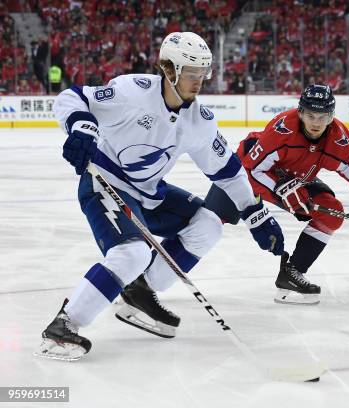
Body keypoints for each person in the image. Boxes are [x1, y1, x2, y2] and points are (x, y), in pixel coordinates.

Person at [35, 32, 284, 361]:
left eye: (202, 74)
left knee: (208, 225)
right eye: (191, 73)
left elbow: (229, 172)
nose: (199, 81)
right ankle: (64, 325)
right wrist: (81, 126)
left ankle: (140, 290)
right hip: (105, 183)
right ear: (169, 69)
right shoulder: (131, 91)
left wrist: (255, 213)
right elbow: (72, 98)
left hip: (150, 195)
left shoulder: (199, 121)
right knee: (132, 253)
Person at [237, 84, 349, 305]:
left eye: (323, 116)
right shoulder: (283, 129)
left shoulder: (338, 138)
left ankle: (292, 273)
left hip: (297, 176)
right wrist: (280, 188)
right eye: (311, 115)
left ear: (331, 116)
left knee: (332, 213)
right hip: (247, 173)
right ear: (300, 112)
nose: (316, 123)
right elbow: (252, 169)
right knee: (209, 220)